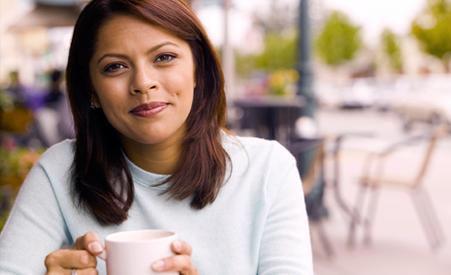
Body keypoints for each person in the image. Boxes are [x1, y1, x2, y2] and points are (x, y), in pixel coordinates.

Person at [0, 0, 313, 274]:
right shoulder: (59, 173)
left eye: (164, 57)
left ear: (198, 70)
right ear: (91, 89)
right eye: (115, 66)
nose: (143, 83)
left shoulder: (268, 171)